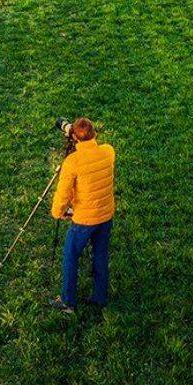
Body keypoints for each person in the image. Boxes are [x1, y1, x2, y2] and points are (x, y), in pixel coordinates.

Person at [49, 117, 115, 313]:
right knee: (100, 255)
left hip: (84, 219)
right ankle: (99, 297)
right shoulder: (108, 152)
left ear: (74, 138)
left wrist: (57, 213)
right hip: (106, 215)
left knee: (70, 255)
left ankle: (68, 301)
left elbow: (63, 193)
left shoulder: (72, 162)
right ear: (95, 134)